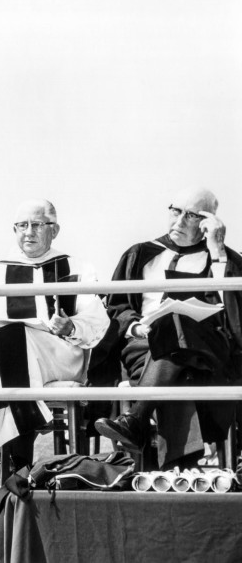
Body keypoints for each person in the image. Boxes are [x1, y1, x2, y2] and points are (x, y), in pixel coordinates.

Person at [0, 199, 109, 470]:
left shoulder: (77, 268)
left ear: (54, 230)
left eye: (36, 225)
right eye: (22, 225)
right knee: (10, 341)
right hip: (9, 354)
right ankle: (21, 466)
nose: (28, 232)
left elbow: (97, 322)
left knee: (12, 340)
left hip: (61, 354)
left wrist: (71, 327)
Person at [94, 188, 242, 469]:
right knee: (179, 364)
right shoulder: (140, 254)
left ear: (208, 223)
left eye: (191, 215)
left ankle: (137, 418)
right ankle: (181, 472)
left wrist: (218, 252)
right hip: (144, 347)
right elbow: (116, 308)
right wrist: (136, 328)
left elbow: (235, 318)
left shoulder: (224, 259)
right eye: (176, 211)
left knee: (179, 321)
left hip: (206, 353)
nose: (179, 221)